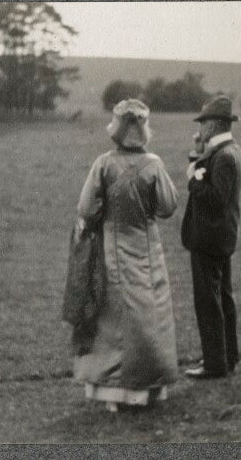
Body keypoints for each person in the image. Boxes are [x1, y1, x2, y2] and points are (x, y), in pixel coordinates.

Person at [73, 99, 179, 412]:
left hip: (112, 243)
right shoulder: (154, 164)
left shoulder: (104, 164)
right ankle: (147, 385)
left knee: (113, 313)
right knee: (149, 310)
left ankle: (113, 389)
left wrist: (101, 217)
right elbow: (167, 206)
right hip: (146, 245)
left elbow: (86, 208)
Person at [181, 95, 241, 380]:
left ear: (216, 124)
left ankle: (214, 363)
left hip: (209, 239)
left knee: (208, 301)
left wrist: (193, 180)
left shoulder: (224, 157)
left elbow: (216, 198)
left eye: (204, 123)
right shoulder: (229, 151)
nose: (200, 128)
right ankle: (226, 356)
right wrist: (197, 156)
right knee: (223, 299)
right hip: (222, 237)